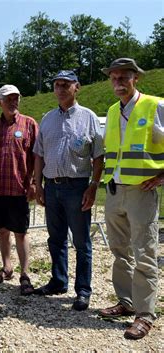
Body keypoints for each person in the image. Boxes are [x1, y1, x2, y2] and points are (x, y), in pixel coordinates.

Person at [98, 58, 164, 339]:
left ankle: (145, 314)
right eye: (114, 78)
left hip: (141, 191)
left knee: (144, 252)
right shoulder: (113, 111)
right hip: (115, 190)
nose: (118, 83)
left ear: (136, 78)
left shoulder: (154, 105)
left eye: (123, 77)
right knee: (119, 250)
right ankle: (126, 301)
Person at [33, 70, 104, 311]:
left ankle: (83, 290)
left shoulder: (89, 117)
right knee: (56, 239)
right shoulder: (47, 118)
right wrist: (37, 184)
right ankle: (58, 281)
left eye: (65, 84)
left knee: (82, 242)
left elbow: (98, 157)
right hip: (52, 187)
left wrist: (93, 186)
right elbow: (39, 154)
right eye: (56, 85)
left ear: (77, 87)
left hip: (77, 187)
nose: (60, 89)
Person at [0, 85, 38, 295]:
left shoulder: (30, 124)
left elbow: (36, 157)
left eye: (16, 98)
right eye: (8, 99)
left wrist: (33, 183)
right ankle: (7, 267)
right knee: (2, 230)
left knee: (21, 232)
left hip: (19, 188)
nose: (13, 102)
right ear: (0, 102)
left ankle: (25, 274)